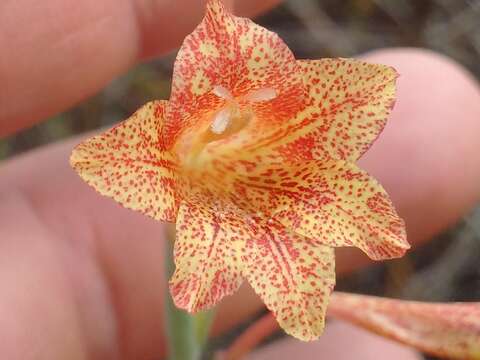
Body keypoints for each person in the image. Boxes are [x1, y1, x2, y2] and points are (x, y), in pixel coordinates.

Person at [1, 1, 479, 359]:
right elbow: (113, 160)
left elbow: (363, 100)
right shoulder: (152, 153)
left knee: (307, 309)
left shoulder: (342, 109)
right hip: (184, 189)